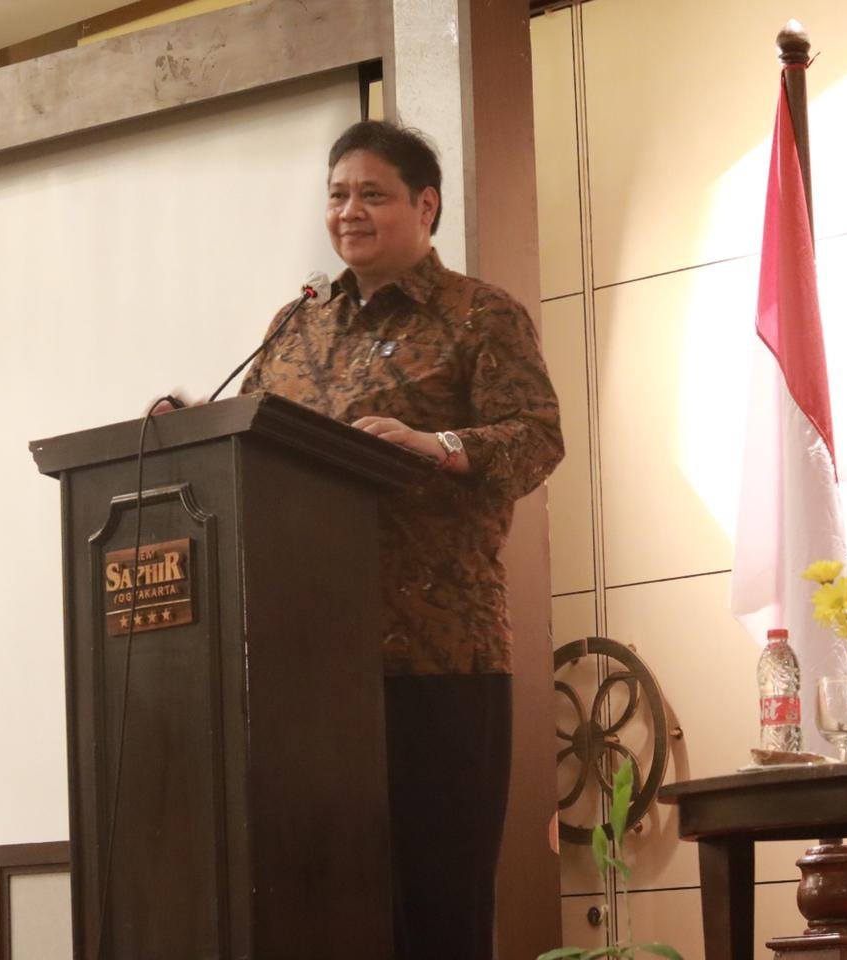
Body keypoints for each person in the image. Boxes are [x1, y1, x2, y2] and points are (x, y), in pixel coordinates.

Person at [240, 120, 563, 960]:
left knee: (436, 909)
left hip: (437, 656)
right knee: (325, 913)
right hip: (309, 672)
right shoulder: (296, 325)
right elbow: (248, 446)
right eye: (337, 194)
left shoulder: (479, 315)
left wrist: (440, 446)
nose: (349, 211)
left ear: (426, 206)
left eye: (371, 194)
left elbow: (537, 440)